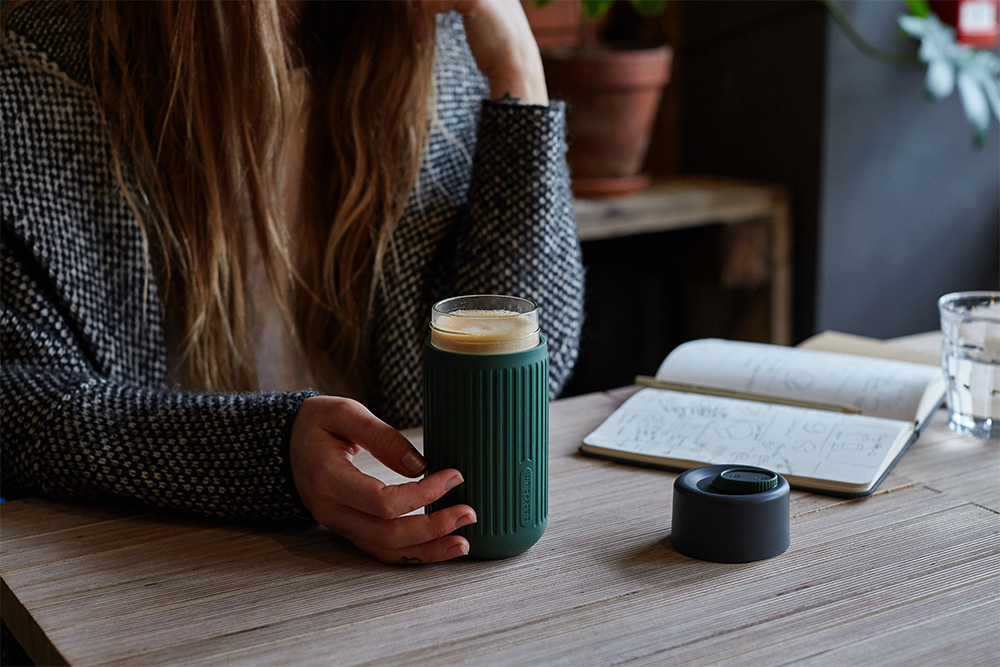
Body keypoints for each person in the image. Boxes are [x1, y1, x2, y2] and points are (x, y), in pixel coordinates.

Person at [0, 0, 583, 568]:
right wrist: (271, 452)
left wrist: (516, 66)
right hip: (148, 566)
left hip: (388, 571)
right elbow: (19, 404)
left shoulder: (435, 36)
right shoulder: (54, 62)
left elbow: (524, 370)